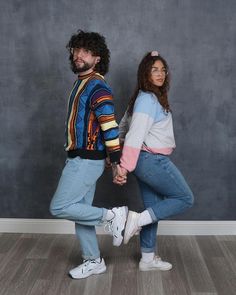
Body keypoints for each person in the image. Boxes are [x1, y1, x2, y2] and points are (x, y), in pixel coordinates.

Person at [50, 30, 128, 280]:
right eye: (76, 50)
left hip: (86, 160)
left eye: (85, 51)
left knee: (60, 207)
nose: (78, 55)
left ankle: (112, 215)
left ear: (97, 58)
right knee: (81, 211)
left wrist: (116, 162)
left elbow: (109, 125)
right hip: (79, 157)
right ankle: (93, 260)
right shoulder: (81, 82)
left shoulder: (96, 85)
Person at [114, 51, 194, 271]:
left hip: (144, 161)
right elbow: (134, 135)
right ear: (145, 73)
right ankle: (135, 221)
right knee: (185, 197)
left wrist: (116, 157)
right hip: (151, 161)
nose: (160, 74)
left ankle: (147, 259)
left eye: (163, 69)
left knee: (153, 209)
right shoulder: (148, 99)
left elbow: (122, 128)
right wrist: (124, 167)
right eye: (154, 70)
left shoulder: (144, 98)